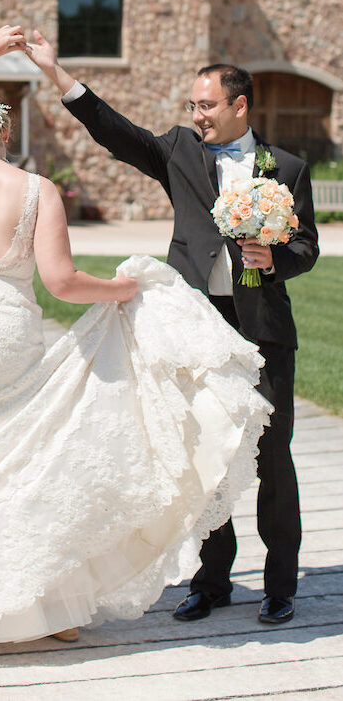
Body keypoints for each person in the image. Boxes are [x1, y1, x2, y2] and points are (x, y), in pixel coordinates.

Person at [0, 25, 272, 661]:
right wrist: (124, 290)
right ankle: (49, 608)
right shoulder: (38, 191)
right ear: (4, 133)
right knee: (28, 467)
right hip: (8, 336)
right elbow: (63, 283)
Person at [25, 31, 319, 627]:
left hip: (263, 330)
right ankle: (211, 585)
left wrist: (275, 258)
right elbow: (117, 132)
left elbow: (307, 246)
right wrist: (60, 77)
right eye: (192, 106)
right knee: (203, 455)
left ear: (240, 106)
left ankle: (281, 586)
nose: (196, 115)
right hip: (196, 327)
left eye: (206, 105)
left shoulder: (287, 168)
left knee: (273, 456)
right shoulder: (179, 151)